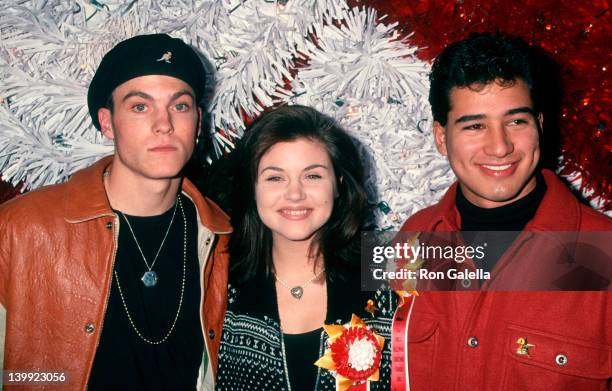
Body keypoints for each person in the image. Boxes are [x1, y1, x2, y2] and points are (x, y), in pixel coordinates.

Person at [0, 34, 231, 390]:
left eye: (180, 106)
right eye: (140, 106)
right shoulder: (22, 227)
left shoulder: (219, 236)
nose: (164, 124)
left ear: (198, 122)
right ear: (107, 123)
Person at [392, 32, 612, 390]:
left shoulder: (605, 252)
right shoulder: (412, 238)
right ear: (441, 137)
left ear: (539, 124)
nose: (500, 146)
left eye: (516, 121)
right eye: (475, 125)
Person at [215, 105, 397, 390]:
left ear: (338, 185)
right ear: (252, 188)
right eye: (275, 177)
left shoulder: (389, 262)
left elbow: (488, 263)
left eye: (312, 176)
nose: (295, 193)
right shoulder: (218, 281)